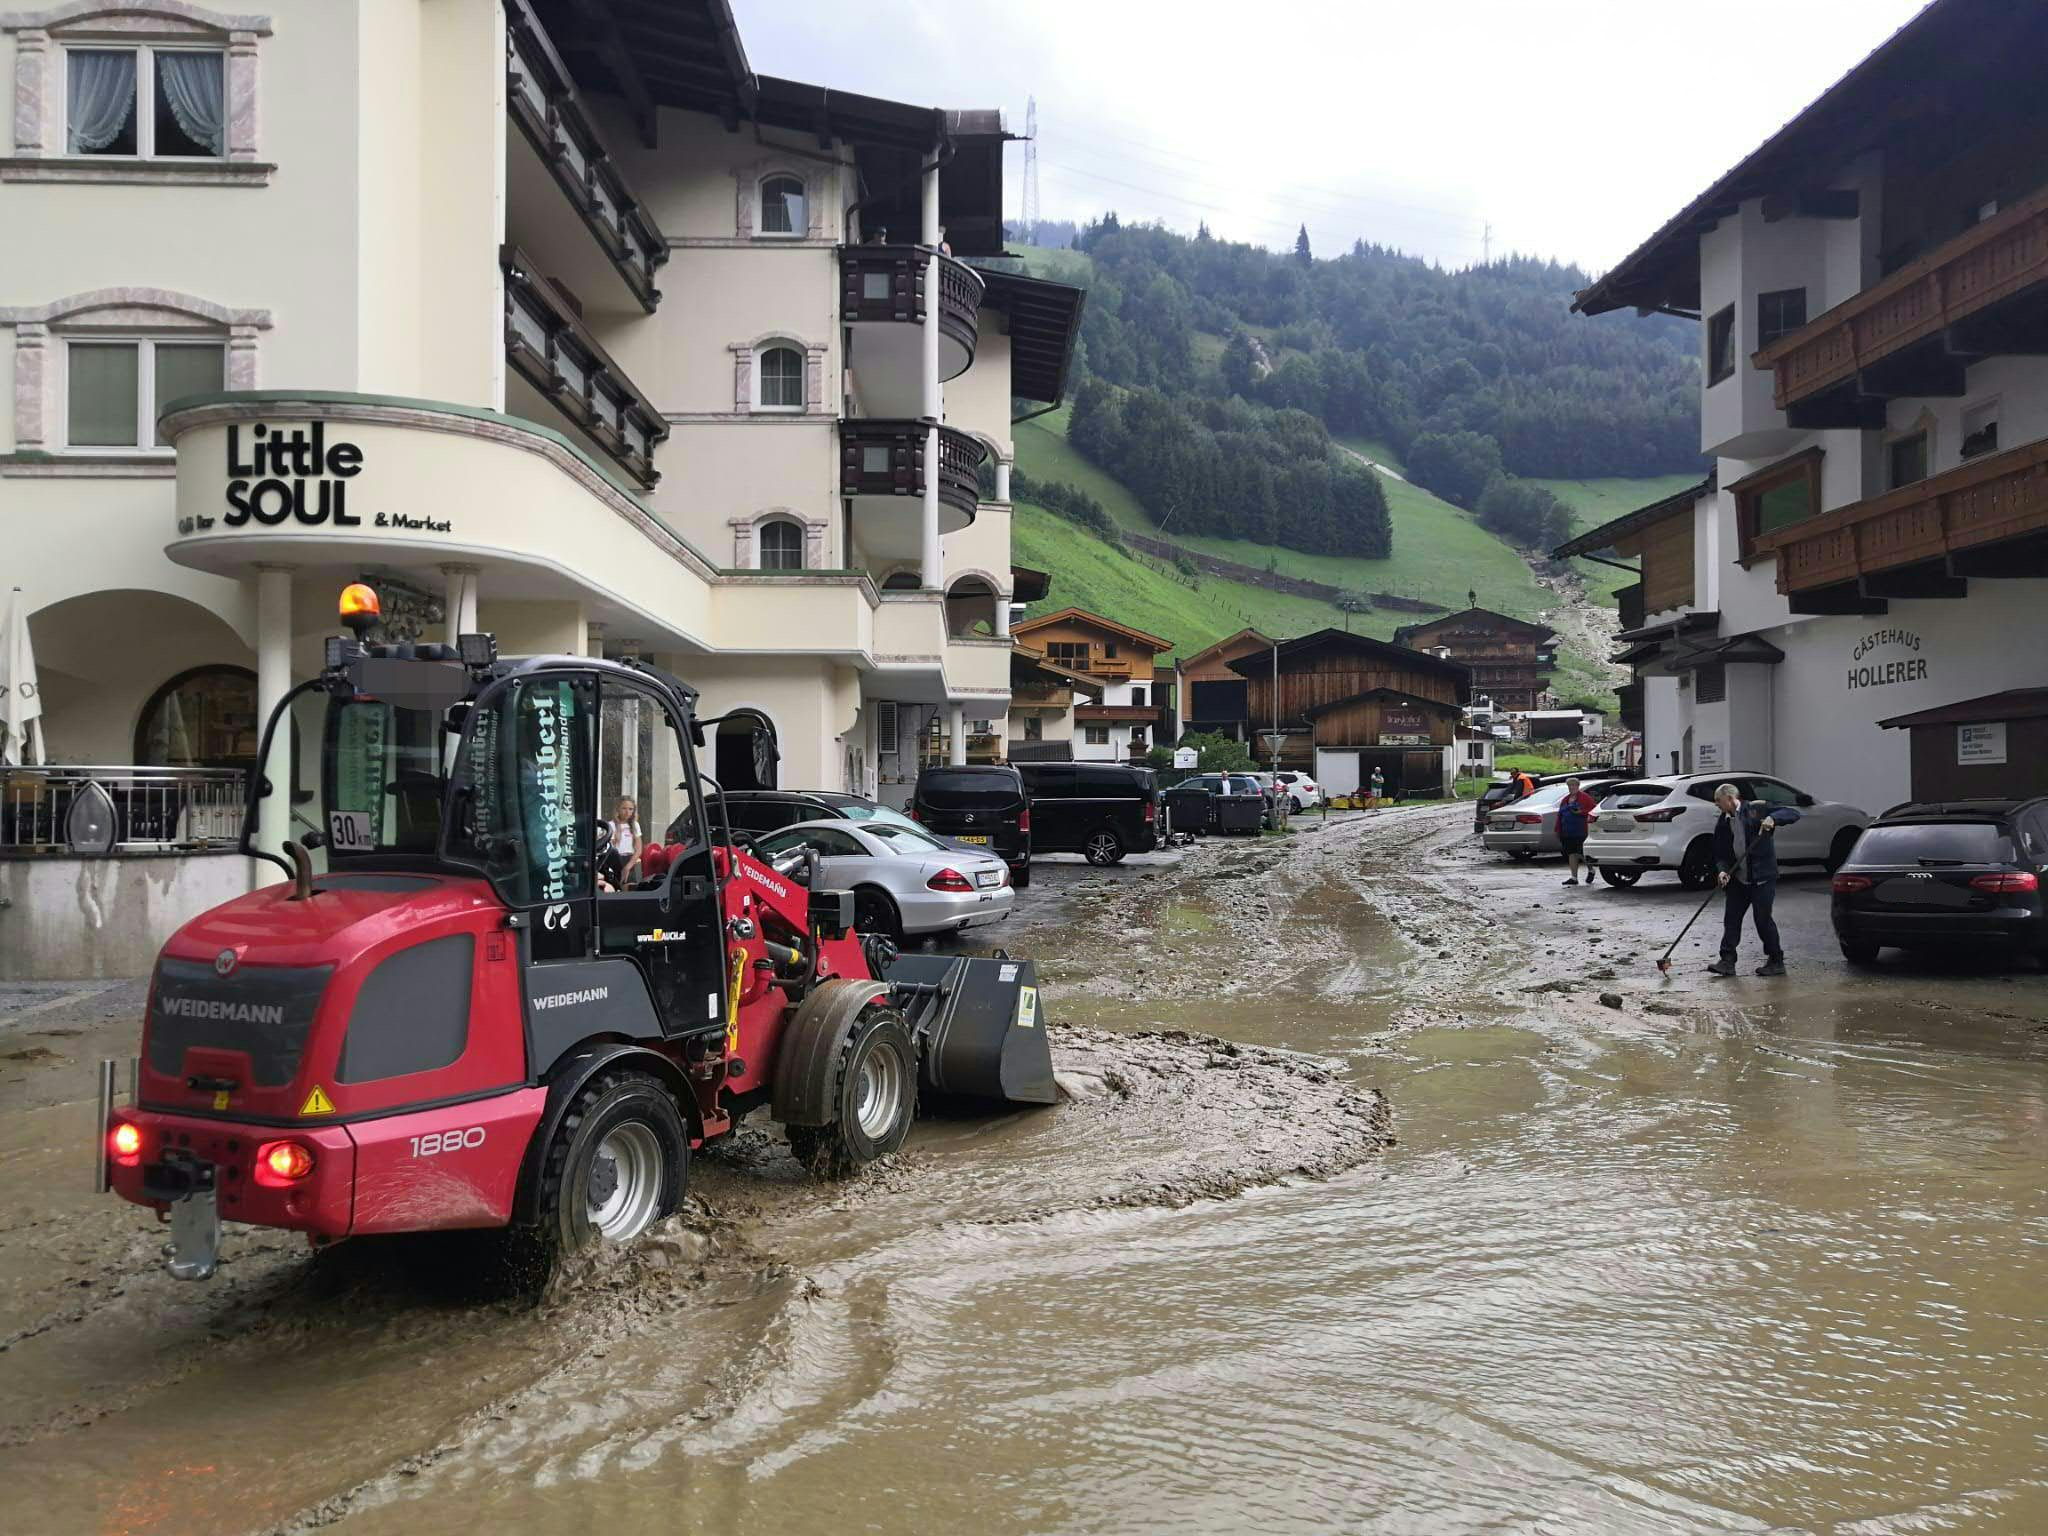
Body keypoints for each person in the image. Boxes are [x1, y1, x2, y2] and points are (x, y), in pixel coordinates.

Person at [1706, 782, 1801, 977]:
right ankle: (1727, 961)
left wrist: (1773, 818)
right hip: (1739, 879)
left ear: (1731, 799)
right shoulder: (1723, 822)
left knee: (1762, 919)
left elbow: (1792, 813)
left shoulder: (1756, 809)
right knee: (1731, 919)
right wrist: (1722, 871)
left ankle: (1776, 960)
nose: (1716, 804)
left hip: (1762, 878)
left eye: (1718, 801)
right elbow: (1720, 852)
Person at [1555, 775, 1598, 885]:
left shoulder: (1585, 797)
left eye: (1574, 785)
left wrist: (1581, 812)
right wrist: (1558, 829)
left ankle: (1591, 870)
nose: (1572, 787)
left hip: (1581, 830)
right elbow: (1560, 815)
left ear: (1578, 786)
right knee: (1571, 854)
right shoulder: (1565, 799)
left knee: (1581, 853)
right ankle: (1574, 877)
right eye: (1570, 785)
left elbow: (1593, 810)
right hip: (1567, 831)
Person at [606, 797, 642, 887]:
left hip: (631, 861)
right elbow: (609, 848)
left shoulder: (635, 825)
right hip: (616, 860)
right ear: (618, 809)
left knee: (632, 888)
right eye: (624, 808)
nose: (627, 812)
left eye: (630, 809)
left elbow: (638, 849)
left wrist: (628, 867)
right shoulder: (611, 825)